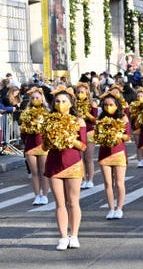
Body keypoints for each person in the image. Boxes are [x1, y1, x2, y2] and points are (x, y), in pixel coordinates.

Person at [42, 87, 87, 250]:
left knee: (73, 202)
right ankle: (62, 237)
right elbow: (45, 145)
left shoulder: (78, 121)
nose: (61, 104)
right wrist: (51, 139)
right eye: (58, 101)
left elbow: (83, 146)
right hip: (54, 163)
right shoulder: (49, 121)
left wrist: (69, 139)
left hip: (73, 163)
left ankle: (74, 235)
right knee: (60, 203)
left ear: (70, 103)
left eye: (64, 101)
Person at [94, 93, 130, 219]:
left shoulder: (123, 118)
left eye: (111, 105)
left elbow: (128, 136)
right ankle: (111, 208)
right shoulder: (100, 119)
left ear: (116, 105)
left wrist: (118, 135)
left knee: (119, 183)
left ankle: (119, 208)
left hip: (119, 152)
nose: (108, 107)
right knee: (108, 183)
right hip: (104, 153)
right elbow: (96, 137)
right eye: (105, 105)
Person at [20, 87, 50, 205]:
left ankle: (45, 195)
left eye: (37, 97)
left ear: (42, 99)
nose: (35, 99)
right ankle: (37, 195)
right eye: (33, 98)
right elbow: (23, 132)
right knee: (34, 172)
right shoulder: (26, 113)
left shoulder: (47, 113)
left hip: (43, 145)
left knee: (43, 172)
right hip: (30, 145)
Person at [74, 83, 98, 189]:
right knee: (80, 158)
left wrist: (87, 114)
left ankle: (90, 179)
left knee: (88, 157)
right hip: (78, 132)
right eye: (78, 92)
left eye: (82, 92)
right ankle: (83, 179)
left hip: (89, 132)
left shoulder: (92, 103)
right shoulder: (73, 104)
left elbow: (95, 119)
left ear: (87, 92)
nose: (80, 94)